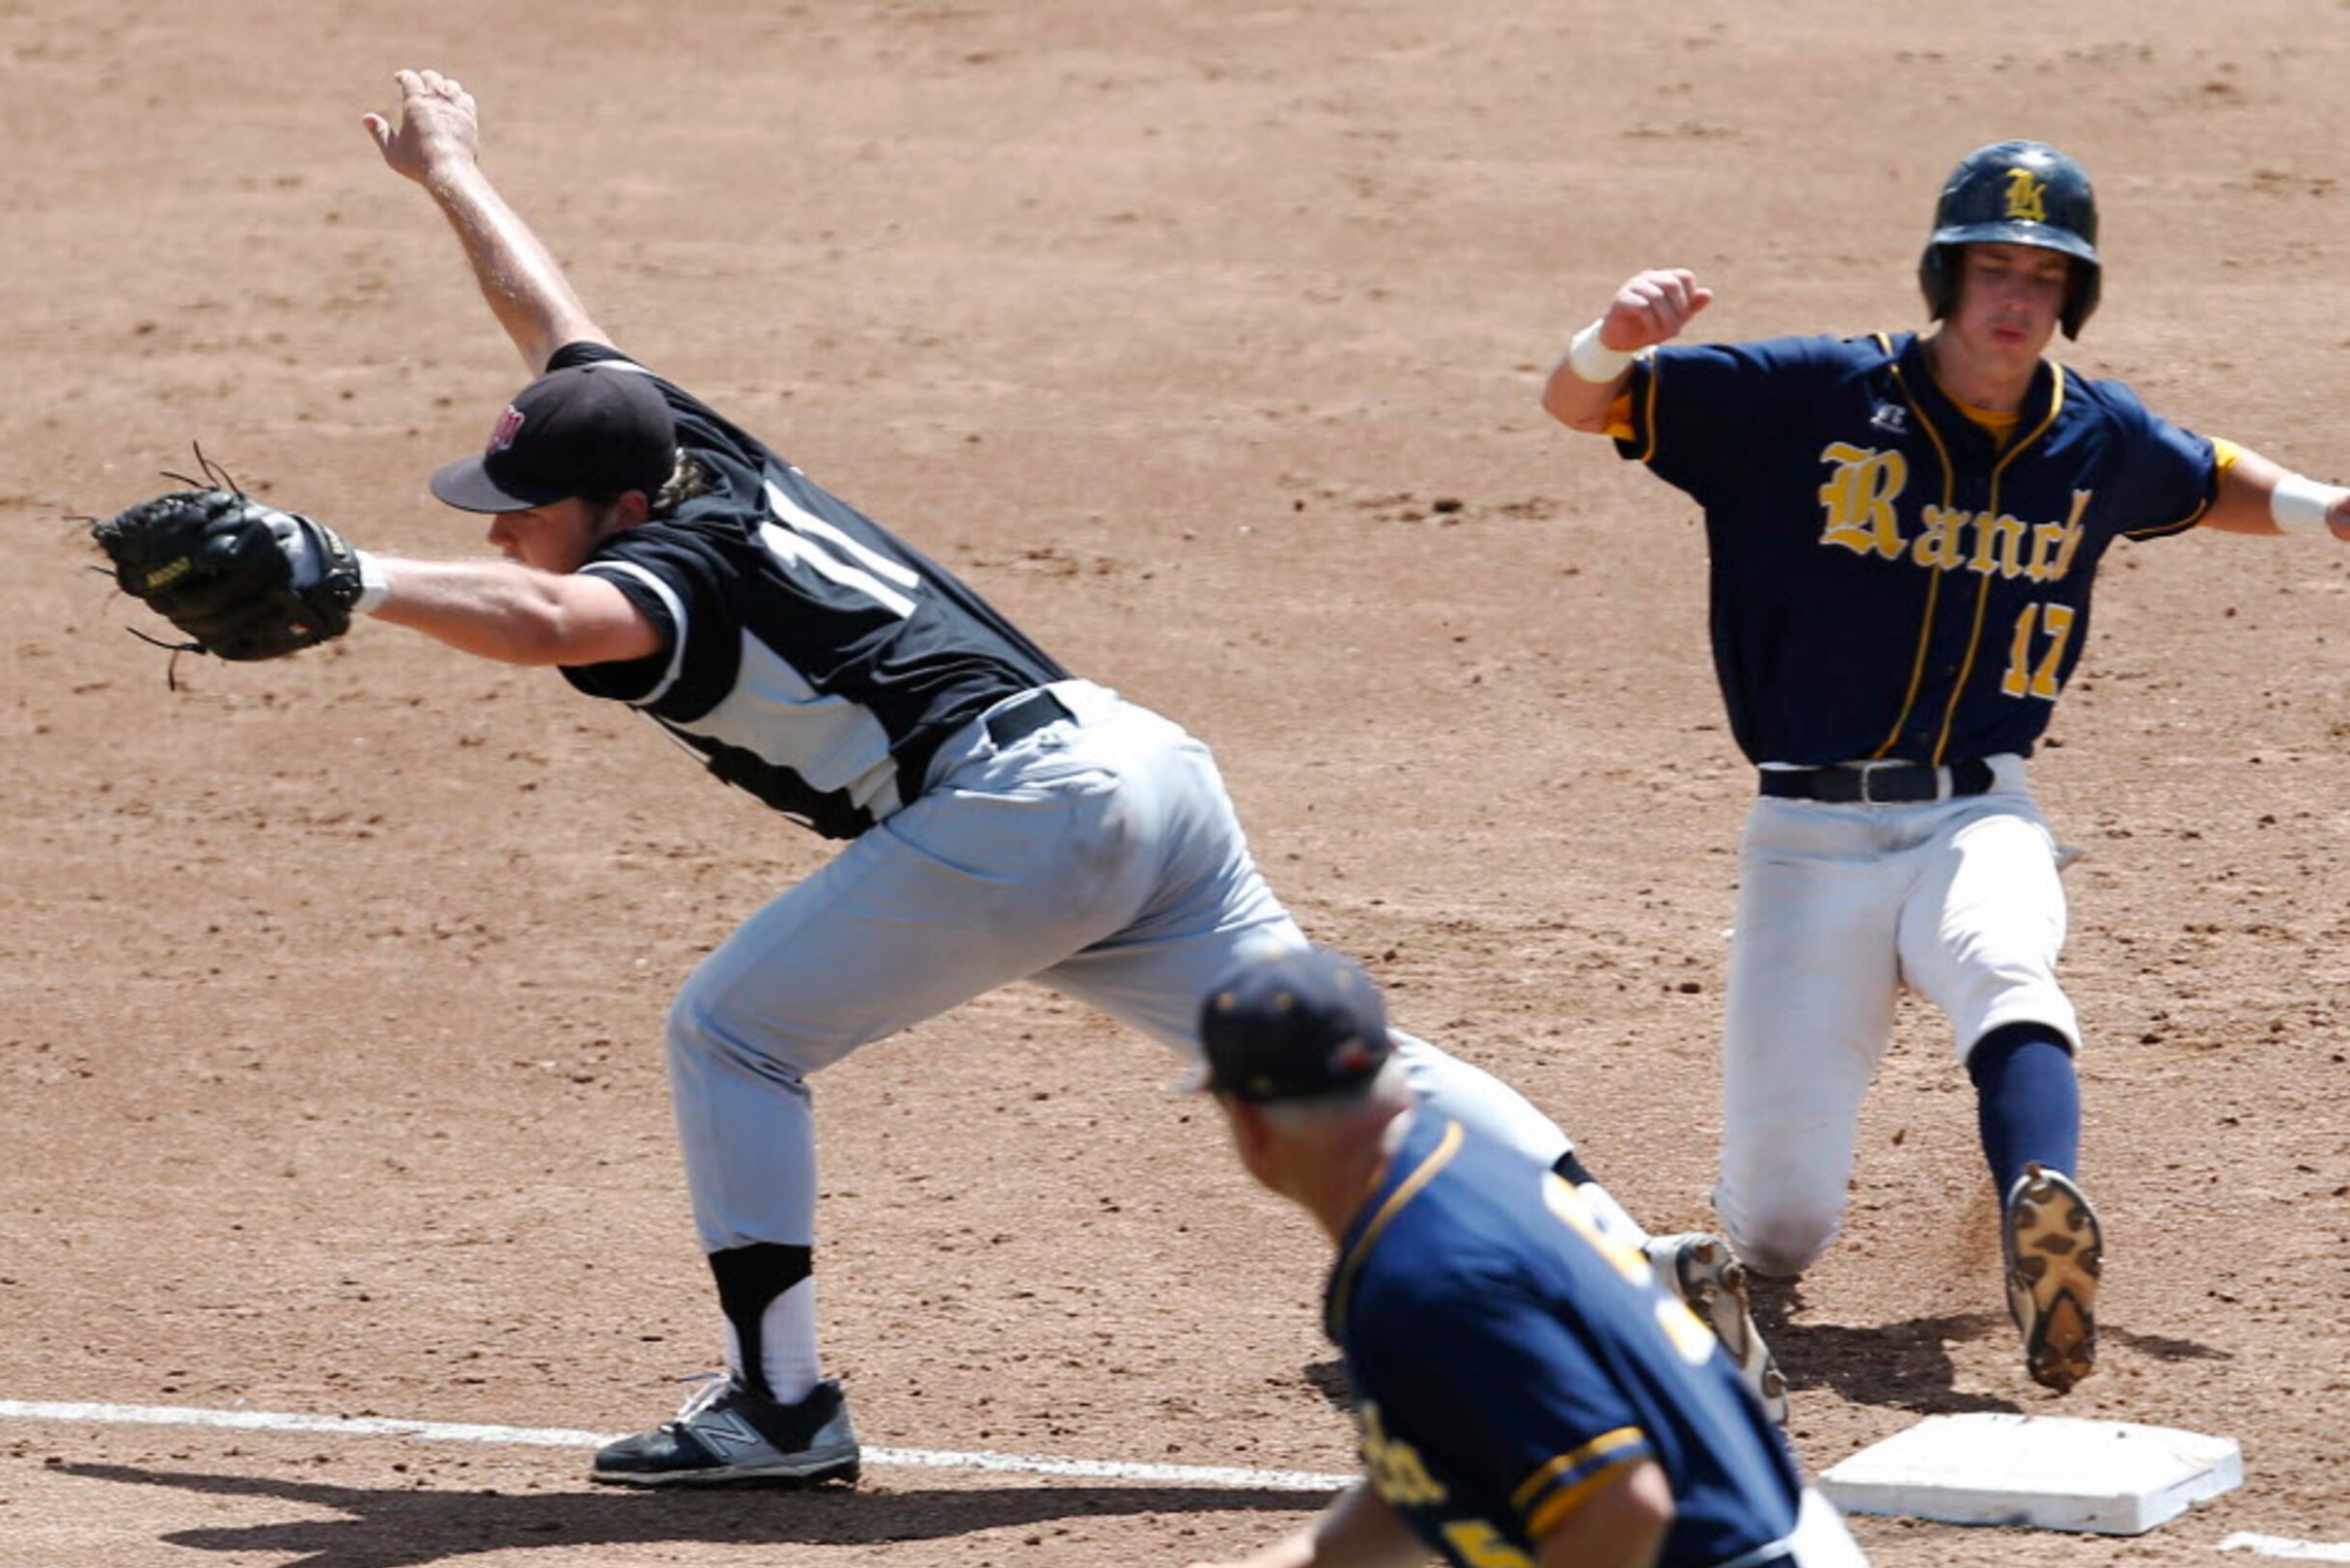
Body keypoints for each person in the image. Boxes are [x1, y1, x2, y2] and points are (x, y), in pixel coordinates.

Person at [271, 69, 1776, 1487]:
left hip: (1015, 819)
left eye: (519, 510)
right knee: (1333, 1068)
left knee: (730, 1034)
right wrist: (454, 171)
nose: (498, 530)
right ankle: (1638, 1277)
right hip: (1139, 768)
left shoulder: (665, 573)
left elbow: (545, 622)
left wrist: (349, 577)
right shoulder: (680, 448)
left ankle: (780, 1404)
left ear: (611, 506)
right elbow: (558, 325)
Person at [1540, 140, 2350, 1397]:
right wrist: (1607, 337)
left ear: (2071, 297)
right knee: (1781, 1227)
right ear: (1944, 278)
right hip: (1806, 838)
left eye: (2041, 275)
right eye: (1990, 270)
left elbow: (2196, 474)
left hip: (1978, 808)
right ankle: (1700, 1260)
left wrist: (2323, 504)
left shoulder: (2091, 432)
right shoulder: (1807, 395)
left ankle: (2038, 1202)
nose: (2013, 297)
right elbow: (1582, 405)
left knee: (2003, 960)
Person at [1157, 942, 1876, 1568]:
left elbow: (1619, 1506)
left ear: (1253, 1128)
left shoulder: (1422, 1278)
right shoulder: (1469, 1166)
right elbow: (1449, 1462)